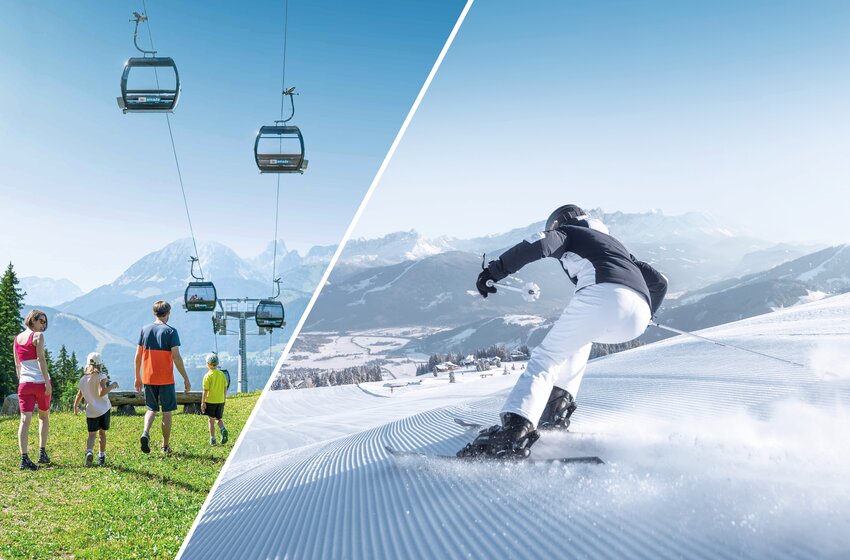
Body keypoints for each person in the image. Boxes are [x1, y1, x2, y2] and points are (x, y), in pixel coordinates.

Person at [459, 205, 668, 459]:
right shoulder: (615, 245)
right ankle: (554, 415)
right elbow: (659, 281)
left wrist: (494, 271)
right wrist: (645, 314)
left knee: (545, 359)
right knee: (579, 341)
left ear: (560, 223)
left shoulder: (570, 233)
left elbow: (538, 245)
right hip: (638, 314)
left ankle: (514, 433)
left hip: (603, 295)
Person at [134, 300, 191, 455]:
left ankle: (145, 432)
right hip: (165, 379)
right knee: (167, 412)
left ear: (154, 313)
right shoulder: (171, 332)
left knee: (151, 409)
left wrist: (137, 377)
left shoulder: (144, 330)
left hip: (147, 377)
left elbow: (138, 357)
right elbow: (177, 358)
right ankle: (165, 447)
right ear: (168, 313)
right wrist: (186, 378)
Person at [14, 310, 52, 470]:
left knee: (24, 420)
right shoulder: (37, 336)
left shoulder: (17, 339)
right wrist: (47, 382)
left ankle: (24, 458)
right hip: (40, 382)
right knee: (43, 417)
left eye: (45, 322)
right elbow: (41, 359)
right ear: (32, 320)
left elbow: (17, 364)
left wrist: (21, 380)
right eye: (41, 321)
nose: (43, 325)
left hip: (24, 384)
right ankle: (42, 453)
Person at [73, 352, 119, 466]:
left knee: (92, 435)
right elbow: (102, 392)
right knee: (102, 434)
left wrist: (75, 407)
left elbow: (79, 395)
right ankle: (101, 456)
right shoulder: (101, 376)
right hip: (103, 410)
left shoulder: (83, 379)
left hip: (91, 412)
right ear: (100, 364)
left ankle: (89, 452)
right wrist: (112, 386)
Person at [201, 353, 229, 446]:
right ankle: (223, 429)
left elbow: (205, 391)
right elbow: (225, 387)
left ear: (208, 364)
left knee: (211, 420)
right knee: (218, 418)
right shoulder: (221, 374)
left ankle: (213, 439)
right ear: (217, 363)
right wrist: (224, 399)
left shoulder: (207, 376)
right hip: (220, 401)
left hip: (211, 401)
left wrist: (203, 402)